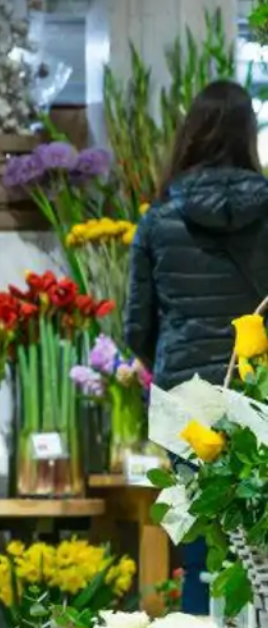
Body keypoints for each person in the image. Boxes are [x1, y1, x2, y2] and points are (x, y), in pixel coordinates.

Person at [126, 79, 268, 616]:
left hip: (185, 405)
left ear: (191, 134)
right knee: (260, 551)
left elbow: (136, 324)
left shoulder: (160, 220)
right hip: (260, 399)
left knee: (200, 539)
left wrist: (171, 365)